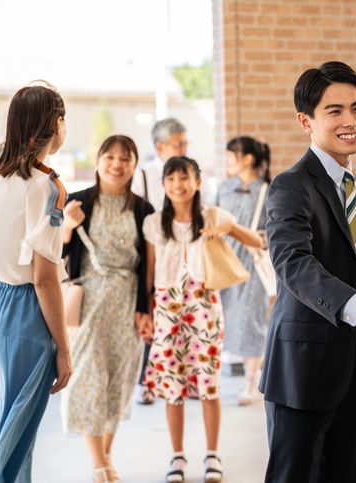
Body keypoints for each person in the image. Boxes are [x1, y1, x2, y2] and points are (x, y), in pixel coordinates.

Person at [259, 61, 356, 483]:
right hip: (303, 369)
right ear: (306, 121)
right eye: (334, 111)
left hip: (353, 369)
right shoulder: (290, 186)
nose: (351, 121)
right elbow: (294, 264)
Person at [143, 156, 262, 483]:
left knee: (209, 385)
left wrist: (230, 228)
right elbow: (150, 274)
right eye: (171, 179)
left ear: (197, 182)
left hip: (205, 309)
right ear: (164, 184)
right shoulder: (154, 223)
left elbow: (258, 241)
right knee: (172, 389)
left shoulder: (213, 215)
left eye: (184, 178)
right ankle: (177, 456)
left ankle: (212, 455)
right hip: (167, 308)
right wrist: (147, 315)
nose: (177, 185)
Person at [59, 135, 156, 483]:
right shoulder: (77, 201)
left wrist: (145, 309)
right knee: (88, 377)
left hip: (128, 300)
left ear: (133, 165)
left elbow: (147, 264)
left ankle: (106, 457)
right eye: (110, 157)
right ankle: (98, 463)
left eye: (125, 158)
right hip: (89, 300)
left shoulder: (143, 208)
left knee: (119, 379)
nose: (117, 164)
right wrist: (67, 227)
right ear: (98, 160)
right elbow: (59, 254)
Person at [0, 83, 74, 483]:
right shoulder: (49, 187)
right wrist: (64, 348)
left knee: (5, 419)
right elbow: (44, 280)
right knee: (17, 435)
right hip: (27, 311)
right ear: (55, 125)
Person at [134, 117, 190, 405]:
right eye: (178, 144)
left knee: (182, 320)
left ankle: (186, 378)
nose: (184, 148)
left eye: (185, 143)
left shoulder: (189, 175)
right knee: (152, 316)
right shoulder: (143, 175)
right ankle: (148, 381)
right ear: (161, 146)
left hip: (183, 260)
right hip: (151, 256)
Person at [216, 135, 274, 406]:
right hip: (224, 260)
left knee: (252, 321)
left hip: (251, 262)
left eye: (232, 155)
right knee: (225, 317)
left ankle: (251, 381)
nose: (227, 161)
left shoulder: (267, 190)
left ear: (247, 159)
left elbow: (273, 229)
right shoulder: (225, 187)